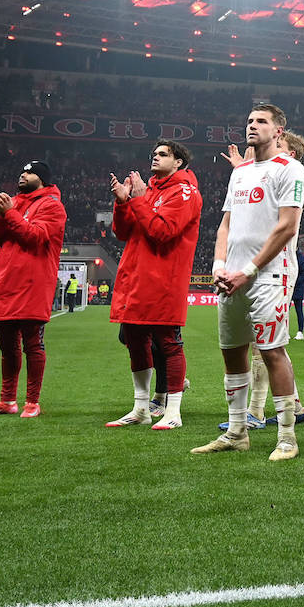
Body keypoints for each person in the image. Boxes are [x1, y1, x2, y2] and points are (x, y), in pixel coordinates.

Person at [190, 103, 304, 461]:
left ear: (278, 132)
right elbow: (225, 224)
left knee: (272, 351)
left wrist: (249, 270)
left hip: (269, 275)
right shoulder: (240, 173)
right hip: (232, 277)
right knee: (232, 352)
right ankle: (237, 432)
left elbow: (287, 226)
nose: (252, 126)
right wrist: (220, 265)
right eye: (250, 121)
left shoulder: (291, 168)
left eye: (261, 121)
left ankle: (287, 437)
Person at [105, 140, 201, 431]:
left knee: (169, 344)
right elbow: (122, 232)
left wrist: (137, 199)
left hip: (163, 280)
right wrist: (123, 202)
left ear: (179, 162)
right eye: (154, 154)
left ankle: (173, 411)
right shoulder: (147, 192)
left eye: (163, 154)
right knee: (135, 342)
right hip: (134, 277)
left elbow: (162, 231)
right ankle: (141, 408)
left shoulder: (185, 192)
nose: (155, 157)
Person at [0, 160, 66, 418]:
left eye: (30, 172)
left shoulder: (52, 205)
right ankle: (7, 401)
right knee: (7, 347)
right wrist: (4, 212)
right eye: (23, 172)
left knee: (33, 345)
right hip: (5, 283)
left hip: (32, 285)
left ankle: (32, 402)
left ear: (43, 178)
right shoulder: (14, 203)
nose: (23, 175)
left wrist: (11, 213)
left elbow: (36, 237)